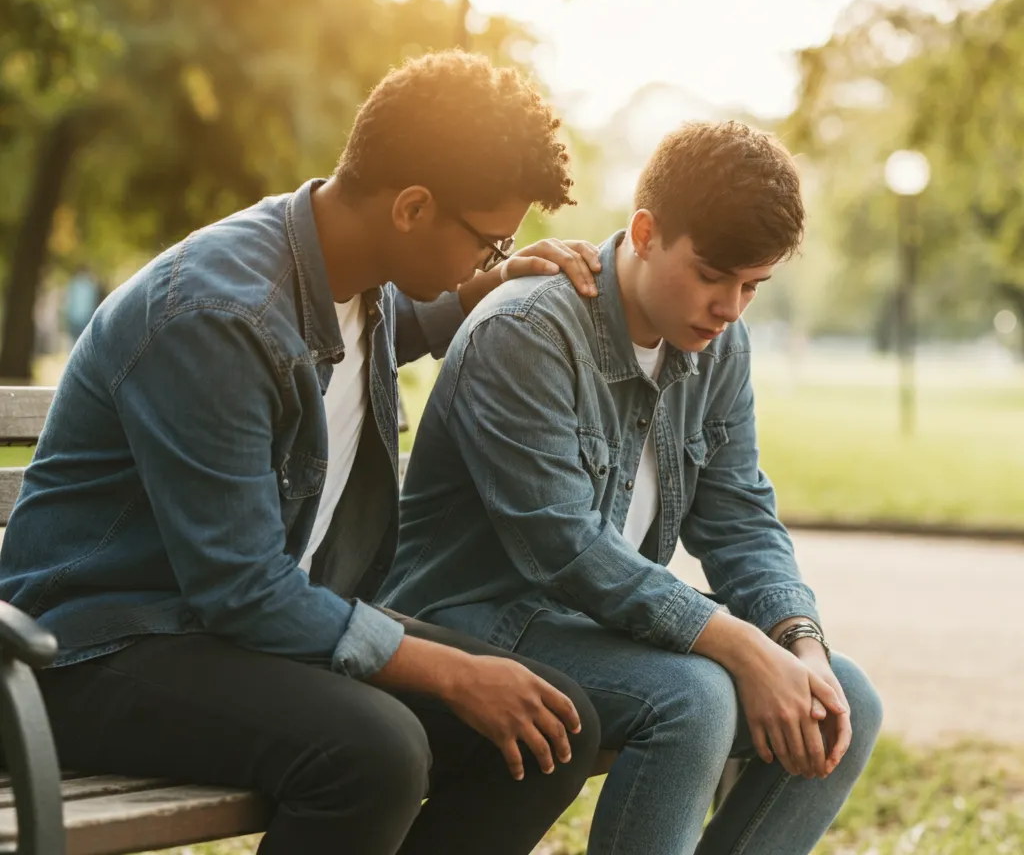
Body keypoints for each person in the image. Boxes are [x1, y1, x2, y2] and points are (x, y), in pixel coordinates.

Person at [0, 51, 606, 855]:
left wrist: (480, 290)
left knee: (553, 723)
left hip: (214, 630)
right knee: (375, 754)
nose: (490, 260)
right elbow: (243, 590)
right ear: (413, 208)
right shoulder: (218, 315)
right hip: (89, 653)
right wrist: (452, 672)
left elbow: (379, 333)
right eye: (491, 245)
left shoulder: (353, 273)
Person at [381, 120, 884, 855]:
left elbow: (740, 514)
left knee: (847, 701)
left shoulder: (719, 345)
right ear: (645, 232)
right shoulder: (526, 330)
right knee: (693, 700)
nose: (731, 307)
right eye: (713, 275)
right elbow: (566, 548)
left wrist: (797, 642)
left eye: (752, 285)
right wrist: (742, 649)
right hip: (469, 620)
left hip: (589, 630)